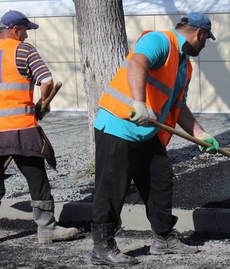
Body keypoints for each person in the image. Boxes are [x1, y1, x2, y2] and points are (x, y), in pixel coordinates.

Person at [91, 12, 219, 266]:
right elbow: (138, 62)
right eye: (205, 40)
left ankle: (163, 238)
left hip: (147, 133)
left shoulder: (185, 66)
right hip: (119, 125)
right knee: (111, 189)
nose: (204, 46)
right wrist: (139, 104)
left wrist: (200, 135)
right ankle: (102, 247)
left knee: (161, 180)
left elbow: (178, 106)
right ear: (199, 33)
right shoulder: (160, 40)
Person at [0, 10, 78, 244]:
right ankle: (47, 229)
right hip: (20, 127)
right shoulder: (23, 50)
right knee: (36, 175)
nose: (27, 36)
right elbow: (46, 80)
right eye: (26, 31)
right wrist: (42, 105)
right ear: (16, 30)